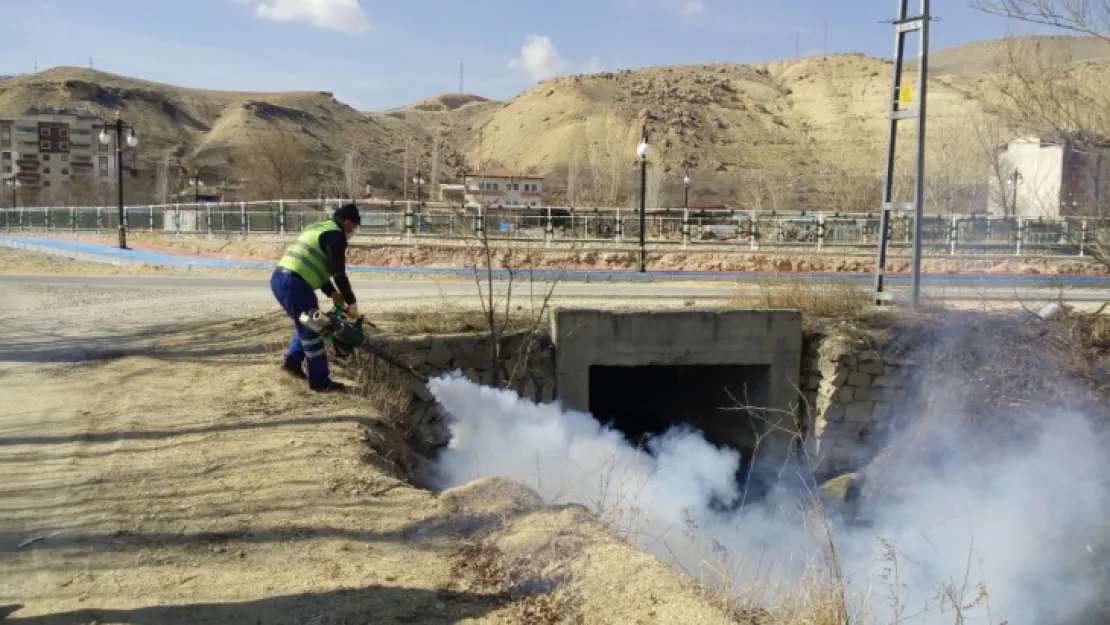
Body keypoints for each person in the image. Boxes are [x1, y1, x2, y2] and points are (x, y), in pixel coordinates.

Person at [270, 203, 361, 392]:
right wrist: (351, 301)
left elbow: (315, 266)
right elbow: (338, 272)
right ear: (346, 222)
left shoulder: (320, 228)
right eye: (353, 226)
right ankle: (320, 382)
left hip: (282, 279)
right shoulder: (335, 235)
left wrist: (333, 294)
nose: (353, 231)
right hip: (295, 283)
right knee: (314, 330)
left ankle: (293, 360)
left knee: (306, 322)